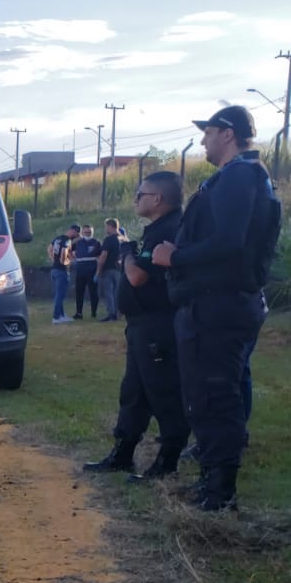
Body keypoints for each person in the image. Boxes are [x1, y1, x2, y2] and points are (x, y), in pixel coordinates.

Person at [152, 105, 282, 512]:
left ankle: (220, 491)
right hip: (219, 302)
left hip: (219, 304)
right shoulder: (239, 178)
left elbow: (229, 242)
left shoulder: (239, 177)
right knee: (209, 393)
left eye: (208, 133)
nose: (204, 141)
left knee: (214, 395)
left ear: (227, 133)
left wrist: (175, 257)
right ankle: (212, 479)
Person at [84, 172, 189, 480]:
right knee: (134, 391)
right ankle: (123, 453)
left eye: (140, 194)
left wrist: (128, 252)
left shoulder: (168, 230)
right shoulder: (157, 228)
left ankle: (167, 462)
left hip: (158, 325)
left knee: (164, 391)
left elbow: (137, 276)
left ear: (157, 199)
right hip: (142, 325)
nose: (136, 199)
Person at [71, 223, 102, 319]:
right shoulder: (77, 243)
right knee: (79, 292)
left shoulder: (96, 242)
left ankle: (94, 313)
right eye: (86, 232)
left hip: (92, 271)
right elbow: (68, 251)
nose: (88, 234)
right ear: (82, 233)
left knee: (93, 293)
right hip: (80, 271)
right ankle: (79, 313)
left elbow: (100, 257)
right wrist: (73, 260)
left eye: (89, 232)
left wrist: (97, 272)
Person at [97, 217, 126, 322]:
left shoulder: (109, 239)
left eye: (106, 227)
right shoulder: (123, 238)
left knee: (108, 292)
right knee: (117, 292)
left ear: (110, 226)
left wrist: (99, 270)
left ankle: (112, 314)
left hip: (108, 269)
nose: (106, 229)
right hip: (120, 269)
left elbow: (104, 255)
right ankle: (119, 312)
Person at [49, 225, 78, 324]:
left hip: (54, 269)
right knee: (60, 294)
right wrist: (66, 261)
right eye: (77, 234)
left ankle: (61, 315)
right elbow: (63, 254)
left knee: (58, 293)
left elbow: (49, 248)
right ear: (73, 231)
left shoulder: (58, 239)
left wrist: (53, 260)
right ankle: (56, 317)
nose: (76, 236)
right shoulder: (67, 240)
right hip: (61, 270)